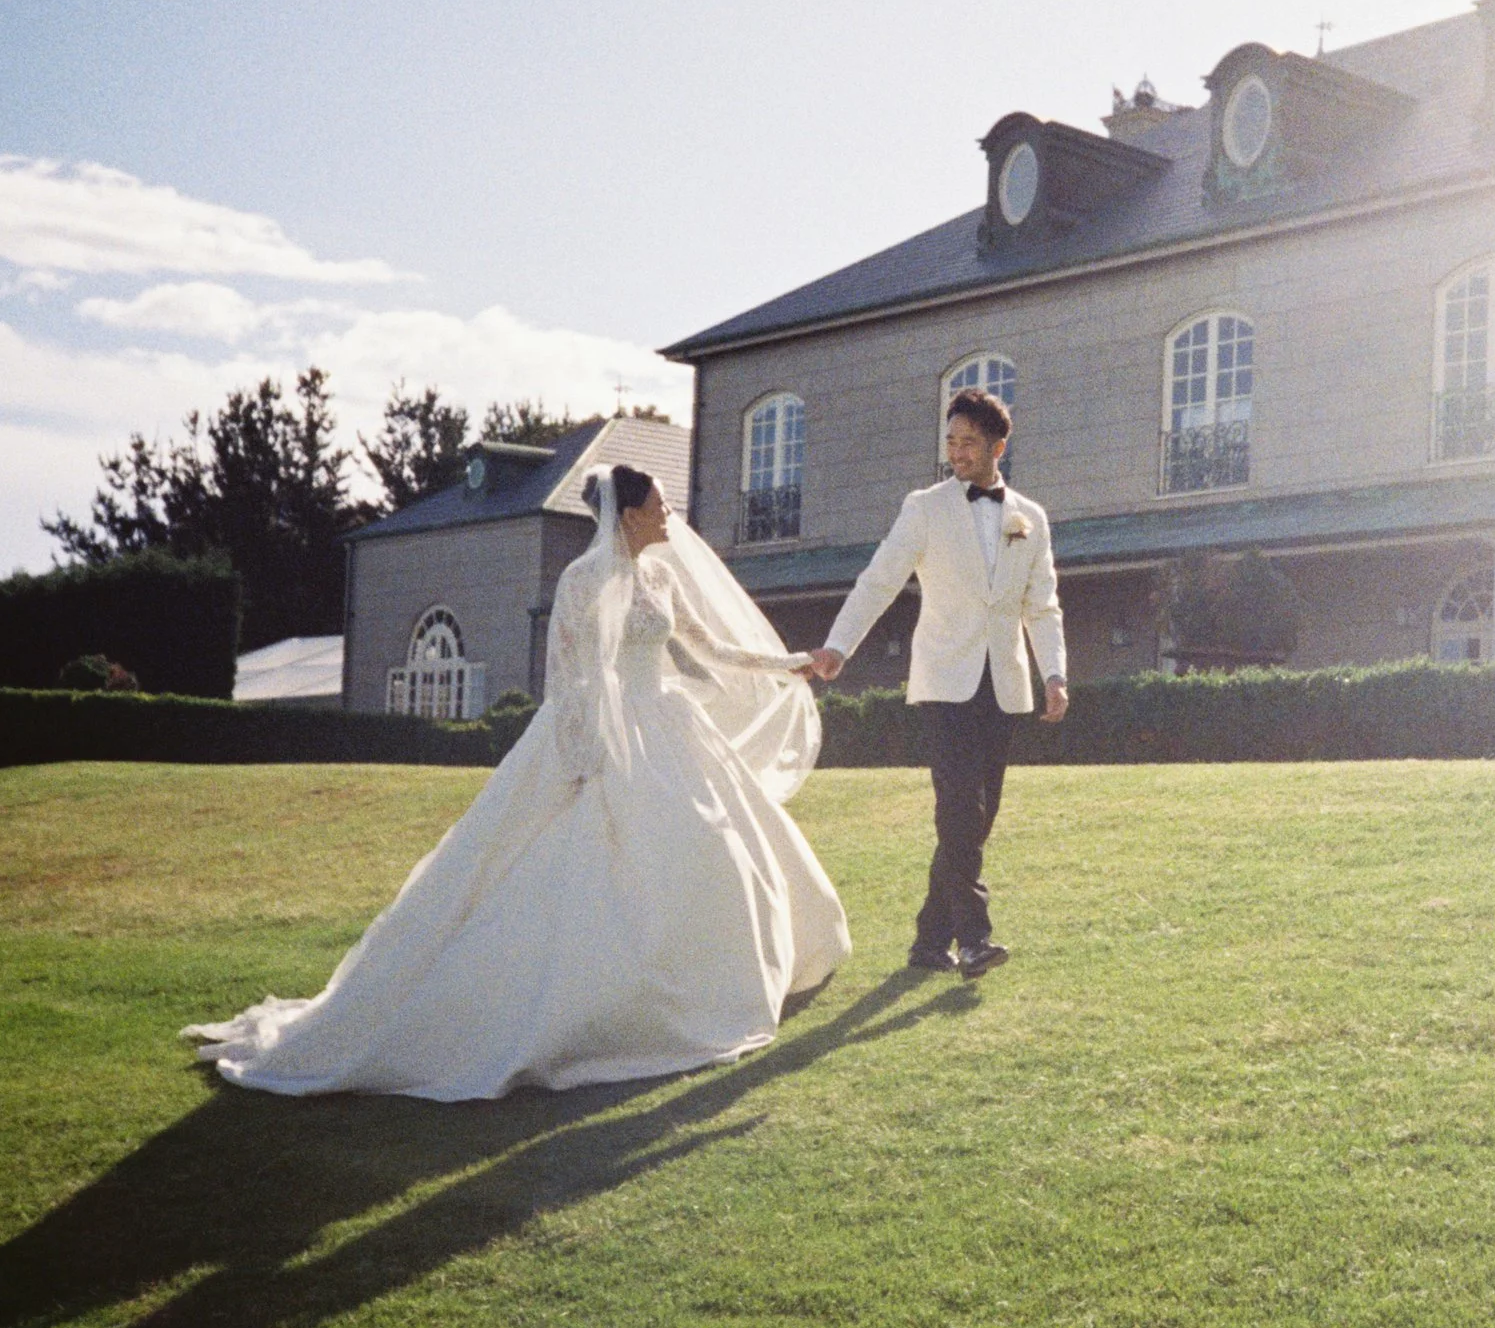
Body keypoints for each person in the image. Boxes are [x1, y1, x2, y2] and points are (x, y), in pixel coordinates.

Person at [184, 465, 849, 1100]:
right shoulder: (582, 581)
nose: (671, 513)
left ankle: (721, 981)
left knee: (721, 847)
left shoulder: (661, 579)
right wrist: (586, 758)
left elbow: (710, 648)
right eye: (662, 504)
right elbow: (565, 680)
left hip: (668, 724)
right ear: (633, 512)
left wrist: (791, 663)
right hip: (605, 737)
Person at [809, 389, 1065, 979]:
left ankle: (929, 941)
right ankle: (974, 938)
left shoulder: (1033, 517)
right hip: (943, 679)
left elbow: (1043, 607)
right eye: (950, 441)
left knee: (979, 817)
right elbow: (878, 582)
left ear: (999, 447)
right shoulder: (924, 508)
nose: (957, 453)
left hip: (1004, 683)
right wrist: (839, 646)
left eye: (969, 443)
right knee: (958, 808)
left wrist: (1054, 673)